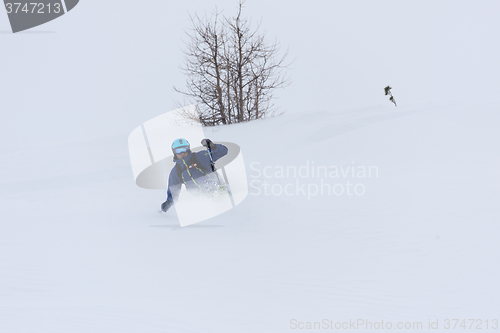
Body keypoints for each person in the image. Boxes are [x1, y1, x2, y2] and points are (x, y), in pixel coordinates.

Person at [161, 138, 228, 212]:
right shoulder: (176, 171)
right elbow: (173, 190)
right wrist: (168, 203)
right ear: (174, 152)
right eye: (178, 151)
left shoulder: (200, 157)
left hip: (220, 191)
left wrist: (213, 147)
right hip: (202, 201)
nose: (182, 153)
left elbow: (224, 152)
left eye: (184, 149)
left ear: (188, 149)